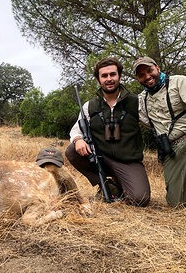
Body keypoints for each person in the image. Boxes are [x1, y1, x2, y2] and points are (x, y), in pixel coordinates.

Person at [65, 57, 150, 206]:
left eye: (113, 74)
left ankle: (119, 184)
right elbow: (75, 130)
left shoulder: (136, 102)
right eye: (104, 76)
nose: (109, 79)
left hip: (128, 161)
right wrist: (78, 140)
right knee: (72, 150)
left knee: (139, 199)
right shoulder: (89, 106)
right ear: (98, 80)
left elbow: (153, 123)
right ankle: (105, 184)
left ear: (120, 77)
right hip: (100, 157)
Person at [133, 56, 186, 207]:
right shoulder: (142, 99)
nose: (147, 77)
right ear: (138, 79)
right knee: (176, 203)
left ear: (158, 68)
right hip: (171, 149)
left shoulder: (179, 82)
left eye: (149, 71)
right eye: (141, 75)